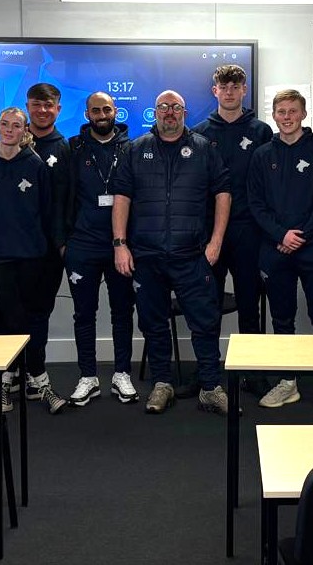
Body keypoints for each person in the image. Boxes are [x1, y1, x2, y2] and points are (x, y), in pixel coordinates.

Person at [111, 90, 232, 415]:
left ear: (184, 112)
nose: (169, 112)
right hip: (147, 256)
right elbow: (121, 197)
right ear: (155, 112)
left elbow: (223, 193)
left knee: (205, 323)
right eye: (163, 107)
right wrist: (120, 244)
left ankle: (210, 387)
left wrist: (216, 241)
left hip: (192, 254)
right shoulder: (135, 149)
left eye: (175, 107)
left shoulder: (204, 148)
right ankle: (162, 385)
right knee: (153, 324)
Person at [246, 90, 313, 413]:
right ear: (274, 116)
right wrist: (280, 235)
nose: (287, 117)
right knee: (281, 317)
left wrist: (300, 235)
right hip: (275, 249)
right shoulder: (261, 155)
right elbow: (255, 204)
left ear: (303, 114)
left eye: (293, 111)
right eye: (281, 112)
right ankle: (288, 381)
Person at [0, 107, 65, 414]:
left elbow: (45, 209)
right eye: (5, 124)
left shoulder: (35, 164)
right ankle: (35, 376)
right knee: (10, 314)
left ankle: (11, 377)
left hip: (31, 253)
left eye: (16, 125)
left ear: (24, 131)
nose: (9, 129)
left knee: (29, 314)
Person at [62, 92, 139, 405]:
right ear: (87, 113)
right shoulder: (73, 148)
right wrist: (63, 243)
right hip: (83, 244)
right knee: (84, 314)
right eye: (96, 110)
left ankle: (122, 374)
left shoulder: (133, 148)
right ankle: (88, 376)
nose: (102, 114)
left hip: (121, 246)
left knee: (122, 311)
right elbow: (61, 195)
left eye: (107, 109)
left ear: (115, 111)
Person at [191, 65, 273, 342]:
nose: (229, 92)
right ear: (215, 91)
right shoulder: (199, 134)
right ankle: (209, 378)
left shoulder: (261, 132)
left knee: (249, 303)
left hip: (248, 230)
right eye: (223, 87)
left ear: (244, 90)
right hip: (209, 233)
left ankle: (253, 372)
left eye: (235, 87)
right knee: (208, 304)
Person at [24, 83, 73, 408]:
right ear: (28, 106)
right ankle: (11, 374)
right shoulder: (10, 143)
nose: (42, 110)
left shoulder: (66, 148)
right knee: (8, 314)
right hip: (12, 250)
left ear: (58, 109)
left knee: (39, 313)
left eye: (49, 105)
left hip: (49, 251)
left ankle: (35, 374)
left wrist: (62, 243)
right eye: (37, 105)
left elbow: (68, 201)